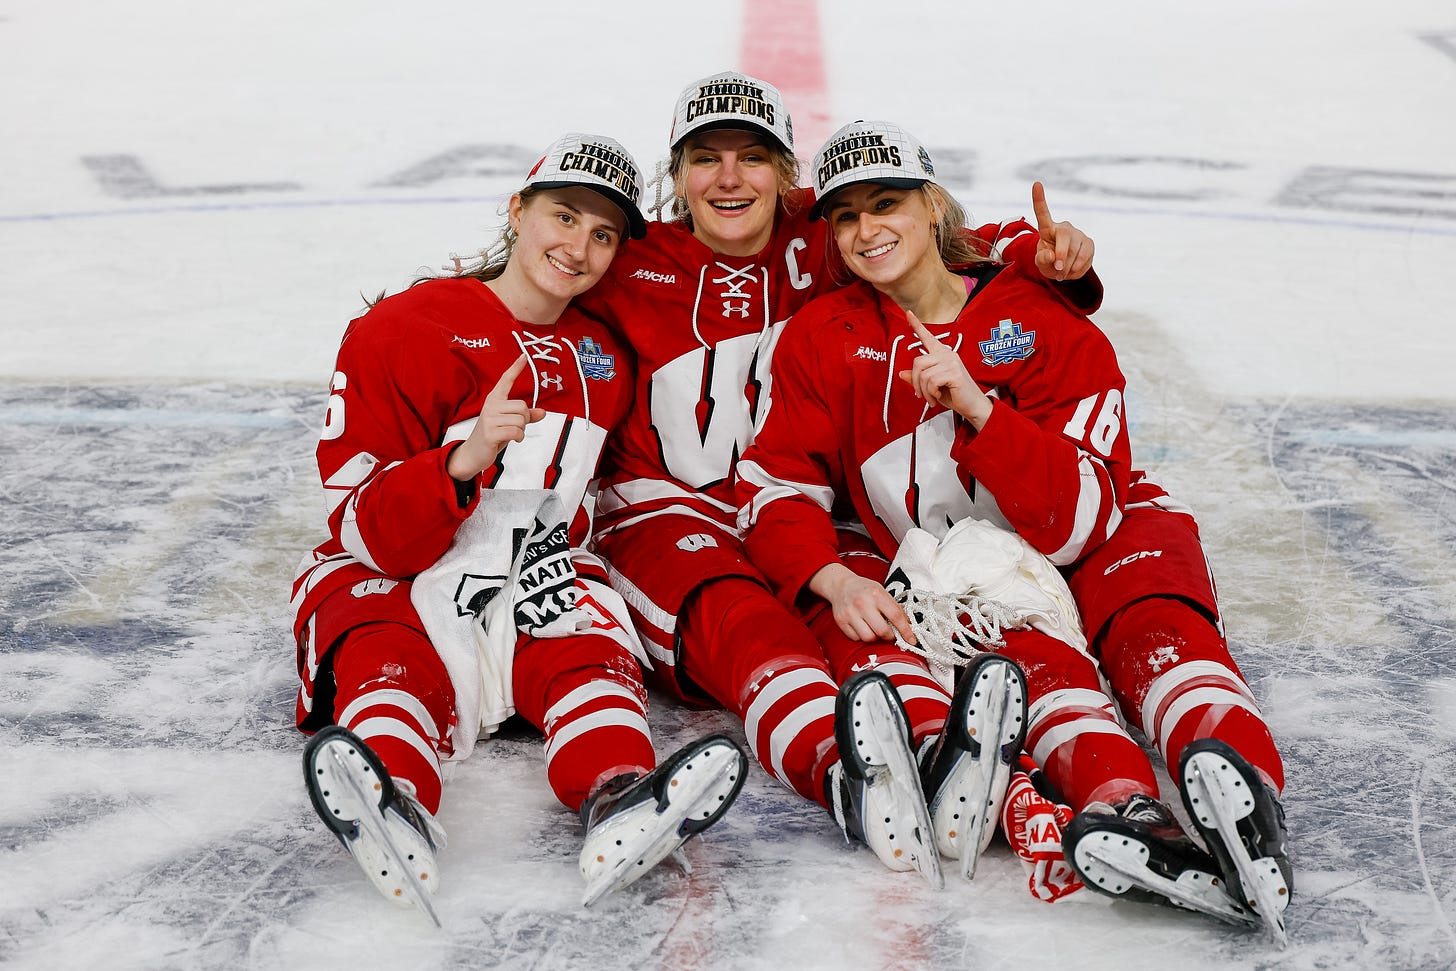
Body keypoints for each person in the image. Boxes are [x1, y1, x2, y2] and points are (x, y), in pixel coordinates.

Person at [736, 119, 1292, 941]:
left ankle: (1253, 814)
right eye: (845, 218)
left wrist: (977, 410)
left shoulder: (1039, 314)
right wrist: (832, 575)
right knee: (1027, 658)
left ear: (932, 208)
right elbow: (775, 485)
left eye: (886, 204)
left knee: (1164, 645)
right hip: (978, 561)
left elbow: (1078, 521)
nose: (865, 231)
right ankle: (1130, 811)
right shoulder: (827, 334)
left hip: (1104, 525)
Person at [576, 73, 1104, 885]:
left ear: (789, 177)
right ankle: (856, 782)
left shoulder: (827, 232)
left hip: (803, 505)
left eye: (753, 158)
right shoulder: (628, 259)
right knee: (758, 633)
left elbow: (938, 242)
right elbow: (534, 278)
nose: (728, 180)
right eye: (705, 160)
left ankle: (957, 762)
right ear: (675, 175)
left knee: (881, 623)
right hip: (668, 509)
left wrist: (1040, 252)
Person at [289, 133, 747, 921]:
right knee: (387, 651)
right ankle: (390, 793)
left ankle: (619, 797)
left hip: (531, 568)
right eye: (563, 217)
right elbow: (365, 529)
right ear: (517, 211)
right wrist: (458, 463)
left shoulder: (601, 350)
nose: (579, 247)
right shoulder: (405, 327)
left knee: (591, 647)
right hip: (397, 565)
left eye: (603, 234)